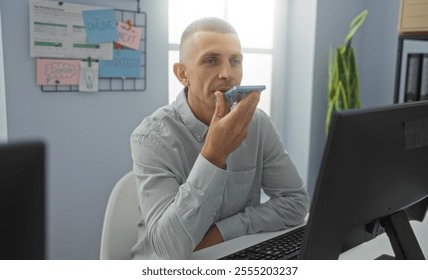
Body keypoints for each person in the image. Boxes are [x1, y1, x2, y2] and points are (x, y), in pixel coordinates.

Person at [130, 17, 309, 260]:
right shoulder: (150, 138)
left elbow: (296, 204)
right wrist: (214, 155)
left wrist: (222, 232)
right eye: (211, 60)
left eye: (235, 61)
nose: (228, 74)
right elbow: (169, 250)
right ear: (183, 73)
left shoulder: (258, 124)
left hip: (234, 253)